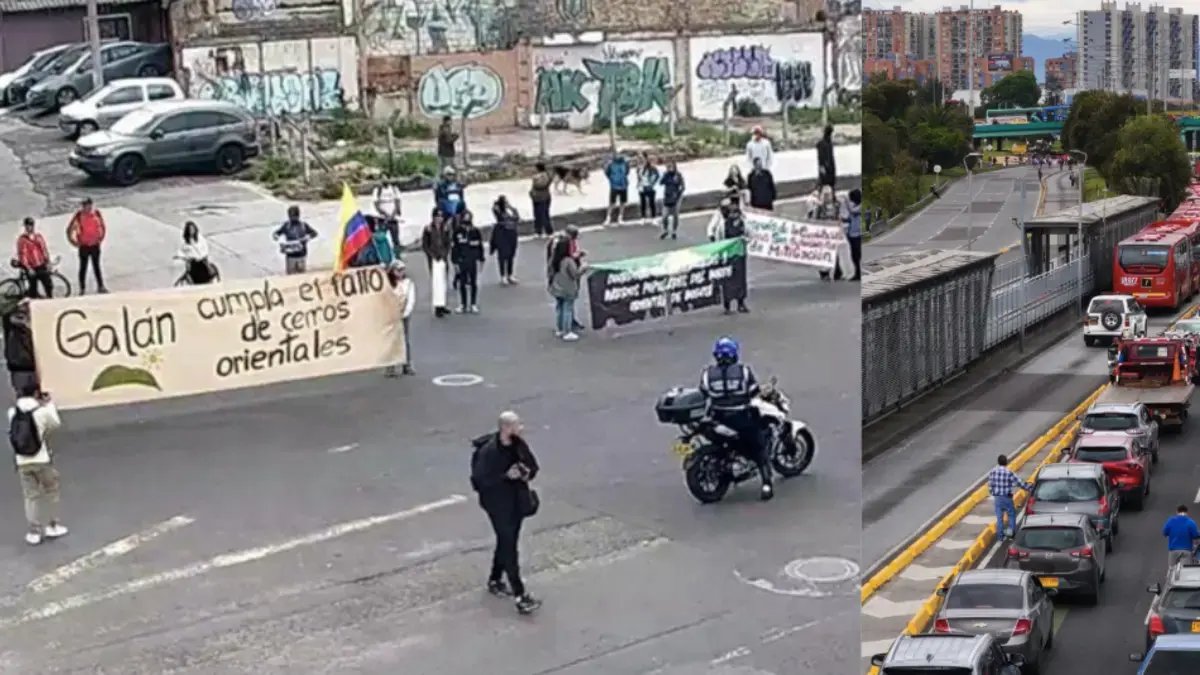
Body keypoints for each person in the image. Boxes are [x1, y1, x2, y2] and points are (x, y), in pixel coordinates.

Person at [470, 410, 542, 615]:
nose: (521, 428)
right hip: (497, 506)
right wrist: (505, 476)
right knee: (510, 547)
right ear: (506, 428)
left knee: (506, 541)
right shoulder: (489, 453)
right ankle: (520, 594)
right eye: (517, 425)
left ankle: (495, 579)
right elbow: (480, 481)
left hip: (516, 502)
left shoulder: (518, 444)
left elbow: (533, 466)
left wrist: (526, 473)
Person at [700, 337, 772, 500]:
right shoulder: (743, 371)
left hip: (717, 419)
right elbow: (753, 391)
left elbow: (704, 393)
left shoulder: (707, 374)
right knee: (759, 447)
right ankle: (767, 484)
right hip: (740, 419)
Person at [9, 382, 64, 545]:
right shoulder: (41, 412)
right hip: (41, 459)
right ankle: (52, 525)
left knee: (30, 497)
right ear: (36, 394)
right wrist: (49, 404)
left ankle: (34, 531)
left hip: (22, 461)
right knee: (51, 491)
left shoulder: (12, 413)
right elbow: (55, 424)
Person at [707, 199, 749, 313]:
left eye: (736, 213)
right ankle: (727, 305)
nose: (734, 216)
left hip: (740, 255)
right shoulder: (723, 225)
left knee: (740, 280)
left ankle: (741, 303)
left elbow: (749, 235)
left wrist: (745, 240)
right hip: (728, 256)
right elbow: (719, 239)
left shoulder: (743, 223)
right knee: (728, 280)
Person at [548, 235, 587, 341]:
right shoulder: (568, 261)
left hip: (556, 287)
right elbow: (575, 274)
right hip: (568, 289)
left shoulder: (554, 259)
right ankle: (567, 331)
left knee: (559, 308)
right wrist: (583, 268)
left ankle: (560, 329)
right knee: (567, 309)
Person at [65, 197, 107, 294]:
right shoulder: (79, 215)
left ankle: (101, 286)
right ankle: (82, 289)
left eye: (88, 205)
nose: (87, 207)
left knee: (96, 266)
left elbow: (102, 226)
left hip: (95, 245)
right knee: (83, 267)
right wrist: (73, 242)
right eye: (85, 205)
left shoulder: (96, 213)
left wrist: (100, 238)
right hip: (84, 245)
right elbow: (69, 229)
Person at [987, 455, 1031, 539]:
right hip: (1007, 497)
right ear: (1006, 462)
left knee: (999, 518)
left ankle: (1000, 537)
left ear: (998, 462)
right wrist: (1029, 488)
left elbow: (990, 484)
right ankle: (1011, 535)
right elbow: (1019, 483)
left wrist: (993, 493)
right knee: (1011, 515)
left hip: (997, 498)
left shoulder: (993, 472)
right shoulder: (1009, 472)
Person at [384, 261, 416, 377]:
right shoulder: (387, 284)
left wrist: (405, 313)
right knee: (391, 340)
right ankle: (390, 366)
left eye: (402, 270)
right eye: (398, 270)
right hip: (390, 315)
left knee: (404, 340)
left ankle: (406, 365)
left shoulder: (408, 283)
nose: (401, 273)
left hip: (403, 315)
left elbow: (411, 299)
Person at [421, 209, 452, 317]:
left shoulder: (445, 228)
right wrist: (432, 255)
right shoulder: (428, 229)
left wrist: (445, 254)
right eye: (437, 217)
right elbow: (425, 245)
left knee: (443, 282)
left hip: (443, 257)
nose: (439, 219)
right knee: (436, 283)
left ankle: (442, 305)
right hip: (434, 258)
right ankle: (437, 307)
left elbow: (448, 243)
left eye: (441, 217)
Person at [451, 210, 484, 313]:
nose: (467, 220)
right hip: (462, 260)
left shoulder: (475, 231)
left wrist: (481, 259)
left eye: (469, 217)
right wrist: (454, 261)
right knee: (462, 283)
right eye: (465, 217)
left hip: (472, 260)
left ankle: (473, 304)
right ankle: (463, 304)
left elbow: (480, 246)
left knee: (473, 282)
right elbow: (454, 248)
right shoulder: (457, 232)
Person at [3, 300, 37, 394]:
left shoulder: (38, 321)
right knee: (24, 396)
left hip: (30, 367)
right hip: (20, 367)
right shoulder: (12, 321)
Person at [14, 217, 53, 298]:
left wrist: (48, 262)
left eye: (31, 225)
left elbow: (44, 250)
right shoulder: (22, 240)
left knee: (48, 285)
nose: (29, 227)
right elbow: (22, 255)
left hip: (41, 264)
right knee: (33, 288)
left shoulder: (38, 237)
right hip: (31, 267)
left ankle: (50, 299)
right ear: (25, 227)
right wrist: (28, 268)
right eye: (27, 225)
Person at [272, 206, 318, 274]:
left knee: (301, 275)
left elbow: (314, 233)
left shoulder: (303, 225)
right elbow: (276, 233)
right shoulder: (286, 225)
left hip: (301, 255)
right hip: (290, 256)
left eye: (294, 216)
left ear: (298, 216)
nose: (292, 218)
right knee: (291, 276)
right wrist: (276, 237)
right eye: (290, 216)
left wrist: (307, 237)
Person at [491, 196, 520, 285]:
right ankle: (503, 275)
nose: (507, 203)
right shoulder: (499, 211)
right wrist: (498, 205)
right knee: (503, 255)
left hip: (512, 234)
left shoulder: (510, 211)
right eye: (505, 201)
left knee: (511, 255)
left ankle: (510, 274)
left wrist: (511, 207)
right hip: (503, 234)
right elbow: (498, 214)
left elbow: (517, 217)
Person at [1164, 505, 1200, 571]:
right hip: (1186, 550)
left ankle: (1171, 575)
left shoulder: (1171, 521)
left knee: (1171, 570)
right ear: (1187, 512)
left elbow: (1165, 532)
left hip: (1173, 550)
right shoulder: (1190, 522)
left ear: (1177, 512)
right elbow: (1195, 535)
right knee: (1185, 570)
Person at [372, 179, 403, 255]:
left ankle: (398, 256)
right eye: (383, 178)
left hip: (393, 219)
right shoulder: (377, 190)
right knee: (381, 239)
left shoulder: (394, 189)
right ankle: (383, 256)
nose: (385, 179)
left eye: (386, 177)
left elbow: (398, 202)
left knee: (396, 240)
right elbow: (376, 205)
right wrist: (386, 215)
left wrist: (392, 215)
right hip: (382, 220)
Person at [603, 152, 631, 226]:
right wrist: (612, 179)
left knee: (622, 202)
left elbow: (627, 172)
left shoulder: (625, 163)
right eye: (618, 154)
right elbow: (607, 173)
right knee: (612, 202)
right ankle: (608, 218)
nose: (619, 155)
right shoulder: (611, 164)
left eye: (620, 154)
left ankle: (620, 218)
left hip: (623, 185)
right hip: (614, 185)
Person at [659, 161, 684, 240]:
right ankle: (665, 230)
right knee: (664, 216)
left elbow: (682, 186)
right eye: (668, 167)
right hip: (667, 198)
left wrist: (678, 195)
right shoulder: (666, 175)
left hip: (675, 199)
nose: (670, 168)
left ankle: (674, 231)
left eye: (671, 167)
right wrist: (665, 175)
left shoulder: (678, 175)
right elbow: (661, 183)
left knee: (675, 216)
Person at [529, 162, 554, 237]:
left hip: (542, 197)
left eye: (535, 168)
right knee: (537, 215)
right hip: (537, 197)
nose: (533, 169)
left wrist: (535, 180)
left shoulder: (543, 176)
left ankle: (549, 231)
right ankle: (538, 231)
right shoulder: (542, 175)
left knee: (543, 215)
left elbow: (541, 185)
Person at [636, 152, 660, 225]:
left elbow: (657, 175)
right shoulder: (639, 168)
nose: (640, 159)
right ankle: (643, 218)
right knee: (642, 202)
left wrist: (652, 183)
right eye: (639, 158)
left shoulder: (651, 167)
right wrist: (638, 183)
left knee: (651, 202)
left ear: (646, 158)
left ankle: (654, 218)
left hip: (649, 186)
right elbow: (639, 177)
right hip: (642, 187)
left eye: (642, 158)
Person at [844, 188, 862, 281]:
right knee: (854, 256)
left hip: (858, 234)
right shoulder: (854, 206)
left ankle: (859, 273)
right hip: (851, 233)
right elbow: (849, 218)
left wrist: (847, 203)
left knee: (857, 255)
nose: (851, 201)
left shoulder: (861, 206)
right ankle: (857, 273)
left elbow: (853, 211)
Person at [817, 124, 836, 192]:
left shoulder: (824, 143)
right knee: (827, 183)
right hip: (828, 166)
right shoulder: (827, 143)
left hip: (827, 166)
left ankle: (826, 195)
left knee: (824, 183)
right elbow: (822, 157)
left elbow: (820, 157)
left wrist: (822, 167)